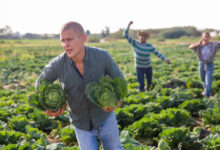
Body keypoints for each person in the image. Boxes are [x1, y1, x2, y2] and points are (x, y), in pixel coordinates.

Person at [35, 21, 123, 150]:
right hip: (81, 123)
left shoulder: (102, 57)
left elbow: (119, 79)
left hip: (105, 117)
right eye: (62, 41)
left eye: (69, 39)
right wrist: (46, 106)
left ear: (83, 38)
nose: (66, 45)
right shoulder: (57, 64)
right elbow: (39, 84)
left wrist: (118, 99)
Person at [123, 21, 170, 91]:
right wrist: (128, 26)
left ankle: (149, 92)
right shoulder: (135, 43)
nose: (143, 37)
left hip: (148, 67)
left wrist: (165, 59)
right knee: (141, 83)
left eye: (145, 36)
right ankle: (142, 96)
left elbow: (157, 53)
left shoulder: (149, 46)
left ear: (147, 37)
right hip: (139, 67)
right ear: (139, 37)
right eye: (141, 35)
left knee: (149, 83)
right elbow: (125, 35)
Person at [189, 32, 220, 98]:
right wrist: (198, 43)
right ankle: (206, 90)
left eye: (207, 37)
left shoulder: (213, 45)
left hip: (210, 64)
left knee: (208, 79)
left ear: (209, 38)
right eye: (204, 36)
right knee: (202, 78)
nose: (206, 38)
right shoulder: (199, 45)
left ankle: (207, 94)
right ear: (202, 37)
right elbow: (190, 47)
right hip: (201, 63)